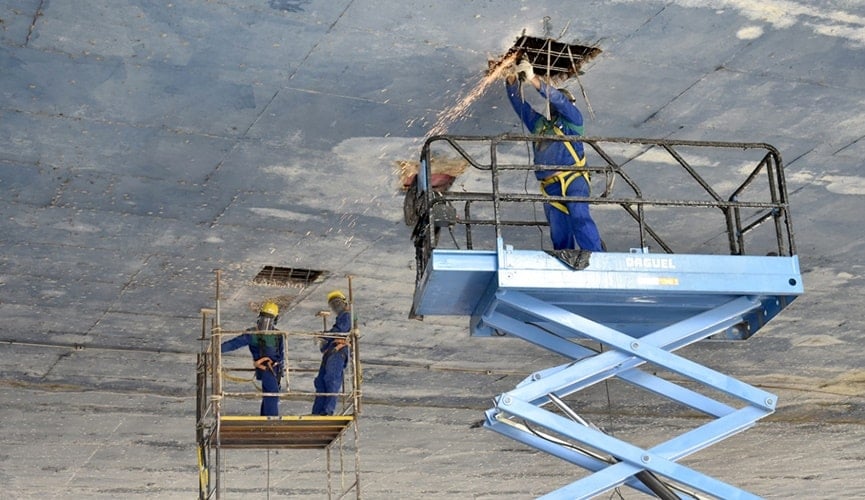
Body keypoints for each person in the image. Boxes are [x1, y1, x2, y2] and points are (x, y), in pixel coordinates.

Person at [505, 57, 604, 251]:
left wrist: (534, 80)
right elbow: (521, 107)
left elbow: (559, 100)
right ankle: (564, 261)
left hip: (573, 179)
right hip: (551, 187)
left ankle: (596, 256)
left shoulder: (573, 122)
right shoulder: (541, 126)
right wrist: (511, 81)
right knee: (559, 231)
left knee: (580, 217)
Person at [221, 302, 284, 416]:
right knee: (272, 394)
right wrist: (217, 348)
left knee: (270, 394)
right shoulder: (253, 334)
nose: (266, 323)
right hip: (265, 368)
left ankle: (265, 418)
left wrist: (281, 371)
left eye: (268, 319)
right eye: (265, 319)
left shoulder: (278, 335)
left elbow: (281, 354)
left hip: (275, 369)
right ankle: (271, 420)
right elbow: (233, 344)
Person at [311, 290, 351, 416]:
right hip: (330, 353)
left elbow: (339, 331)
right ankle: (317, 412)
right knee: (321, 382)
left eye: (337, 302)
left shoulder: (347, 316)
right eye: (333, 304)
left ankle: (327, 411)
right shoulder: (340, 318)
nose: (336, 306)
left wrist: (325, 336)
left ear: (344, 303)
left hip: (338, 352)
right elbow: (327, 343)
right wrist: (324, 342)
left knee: (331, 380)